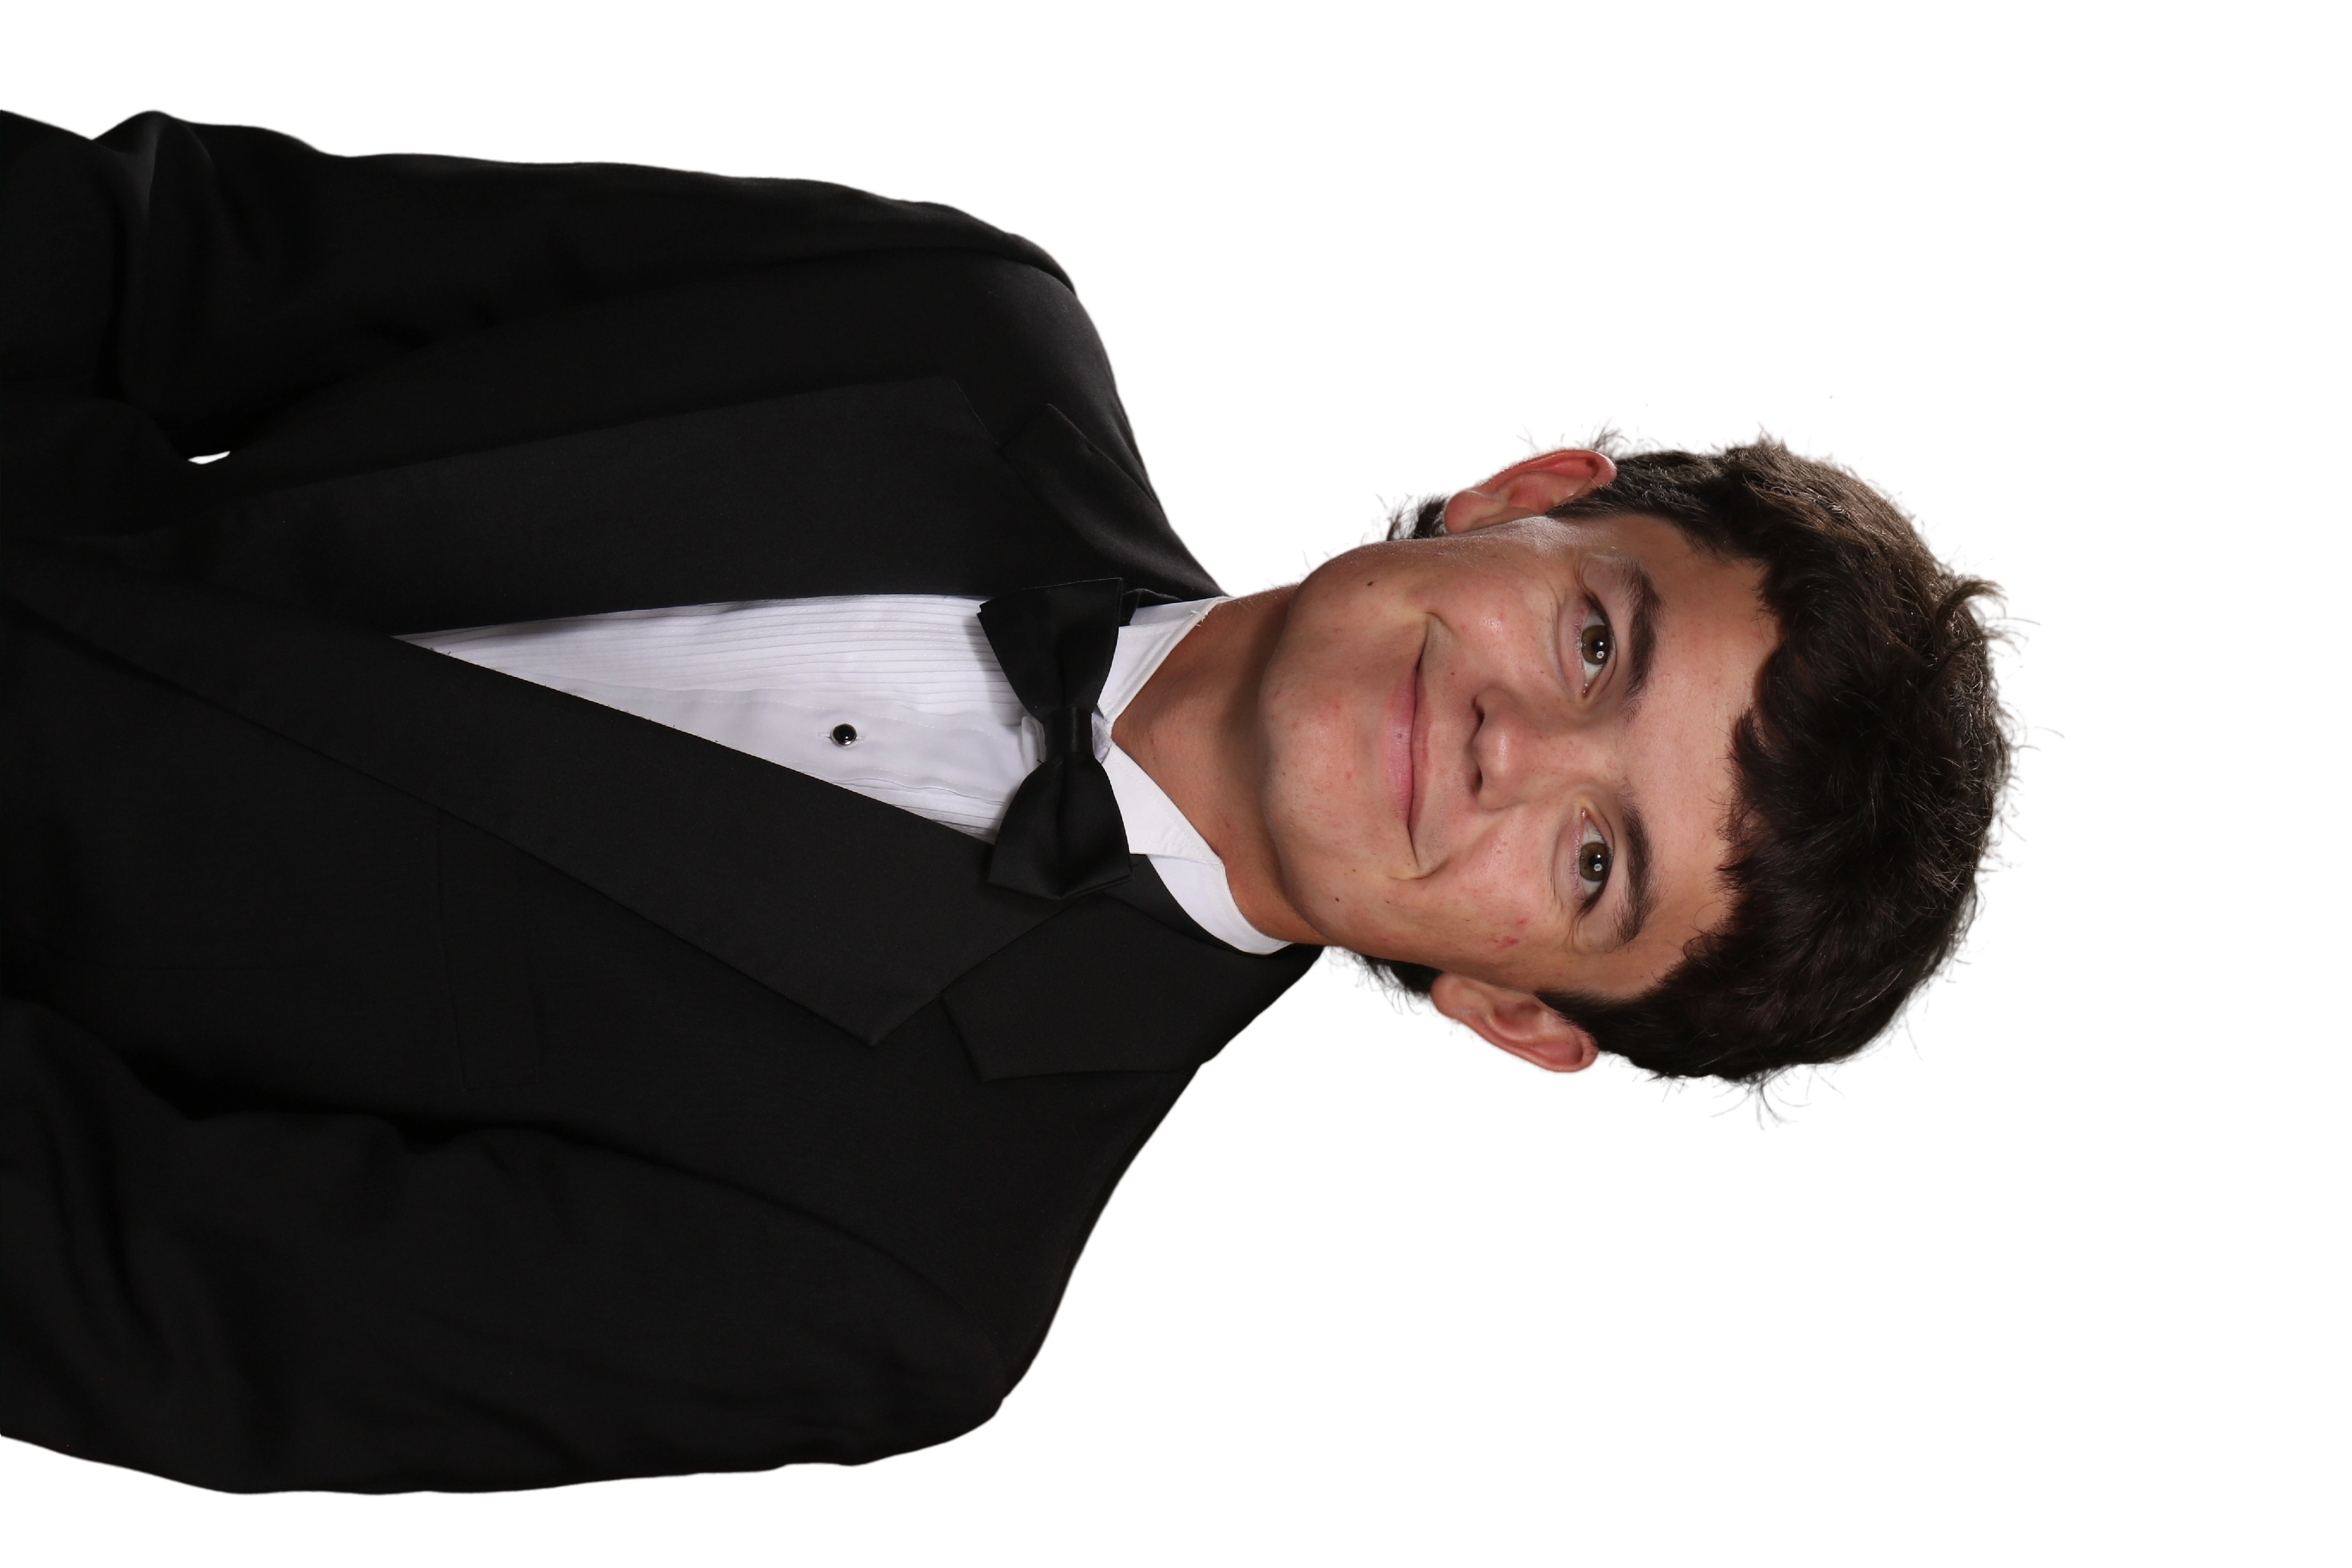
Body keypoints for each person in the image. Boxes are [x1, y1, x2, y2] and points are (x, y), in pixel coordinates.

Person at [0, 108, 2026, 1496]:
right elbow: (182, 261)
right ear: (1531, 499)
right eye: (1597, 644)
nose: (1516, 747)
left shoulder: (906, 1280)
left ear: (1517, 1012)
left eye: (1595, 862)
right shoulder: (956, 316)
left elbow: (127, 1288)